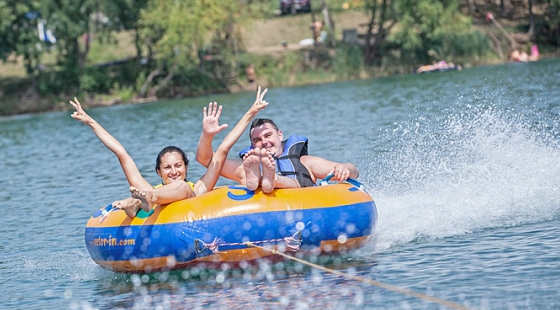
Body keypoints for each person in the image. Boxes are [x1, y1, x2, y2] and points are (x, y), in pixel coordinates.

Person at [69, 87, 269, 217]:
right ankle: (135, 204)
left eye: (178, 165)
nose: (173, 171)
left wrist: (251, 112)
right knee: (150, 193)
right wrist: (90, 122)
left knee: (181, 188)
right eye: (167, 167)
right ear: (159, 172)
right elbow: (121, 153)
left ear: (186, 167)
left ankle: (137, 204)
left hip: (152, 197)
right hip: (150, 196)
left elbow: (223, 149)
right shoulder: (148, 188)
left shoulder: (199, 188)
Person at [196, 113, 359, 194]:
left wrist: (343, 167)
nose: (264, 141)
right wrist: (207, 135)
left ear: (279, 135)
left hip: (305, 208)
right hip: (269, 215)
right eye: (257, 140)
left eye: (268, 135)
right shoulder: (247, 165)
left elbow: (354, 171)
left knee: (291, 183)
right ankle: (262, 178)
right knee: (249, 173)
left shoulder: (305, 162)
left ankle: (270, 178)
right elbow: (208, 160)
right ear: (252, 146)